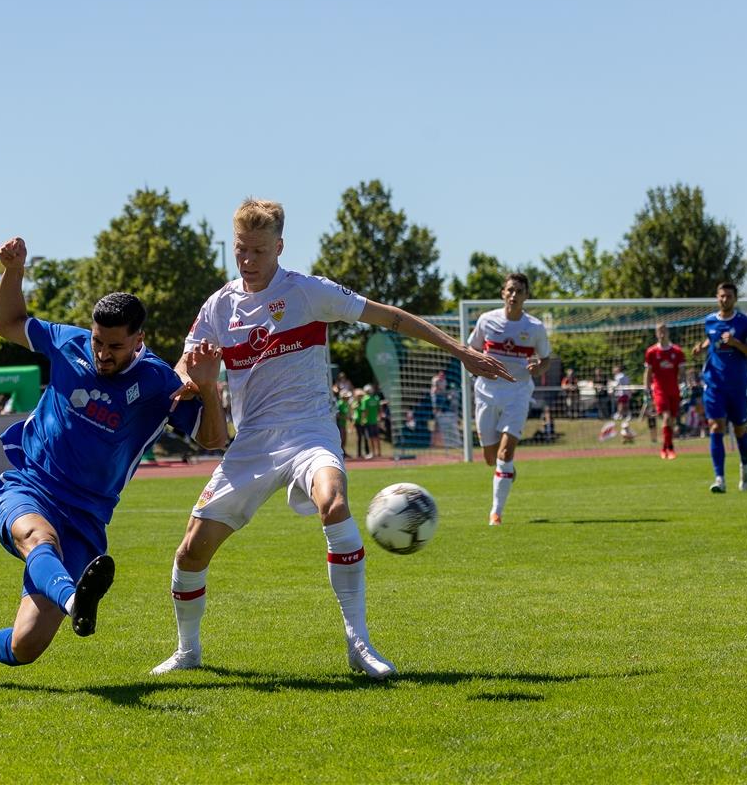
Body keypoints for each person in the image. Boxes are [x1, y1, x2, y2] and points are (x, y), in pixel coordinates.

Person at [151, 199, 513, 680]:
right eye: (241, 249)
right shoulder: (218, 307)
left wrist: (460, 350)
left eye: (258, 250)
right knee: (191, 551)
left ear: (279, 247)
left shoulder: (307, 291)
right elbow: (185, 366)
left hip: (310, 431)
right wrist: (188, 379)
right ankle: (187, 651)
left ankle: (359, 643)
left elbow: (393, 318)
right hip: (253, 442)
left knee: (335, 502)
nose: (248, 260)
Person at [0, 237, 226, 677]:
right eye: (98, 341)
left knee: (25, 647)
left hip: (86, 518)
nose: (102, 353)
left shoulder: (158, 382)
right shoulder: (68, 343)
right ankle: (77, 598)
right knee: (40, 540)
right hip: (29, 487)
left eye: (115, 346)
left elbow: (213, 439)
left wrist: (209, 388)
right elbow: (9, 323)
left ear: (139, 339)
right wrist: (14, 271)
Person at [466, 272, 552, 526]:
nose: (514, 295)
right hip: (486, 392)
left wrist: (539, 368)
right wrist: (477, 364)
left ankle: (496, 513)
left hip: (518, 392)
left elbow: (546, 359)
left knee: (505, 452)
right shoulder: (486, 320)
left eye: (519, 291)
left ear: (526, 296)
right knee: (491, 458)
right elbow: (471, 349)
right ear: (503, 293)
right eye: (510, 290)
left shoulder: (534, 327)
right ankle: (508, 471)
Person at [692, 281, 747, 493]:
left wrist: (736, 343)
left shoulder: (745, 323)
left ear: (735, 299)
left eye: (728, 296)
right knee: (715, 427)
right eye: (721, 296)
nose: (724, 299)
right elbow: (711, 339)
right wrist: (701, 347)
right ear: (717, 297)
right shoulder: (709, 321)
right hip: (714, 384)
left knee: (740, 429)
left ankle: (745, 466)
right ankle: (719, 478)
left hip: (738, 385)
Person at [644, 322, 686, 460]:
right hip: (659, 390)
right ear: (656, 333)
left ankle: (664, 447)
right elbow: (648, 372)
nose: (662, 333)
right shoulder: (651, 352)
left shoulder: (677, 351)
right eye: (659, 331)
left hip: (674, 390)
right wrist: (646, 388)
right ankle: (670, 449)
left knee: (672, 421)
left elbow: (682, 372)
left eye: (664, 330)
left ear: (668, 332)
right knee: (666, 417)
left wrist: (684, 385)